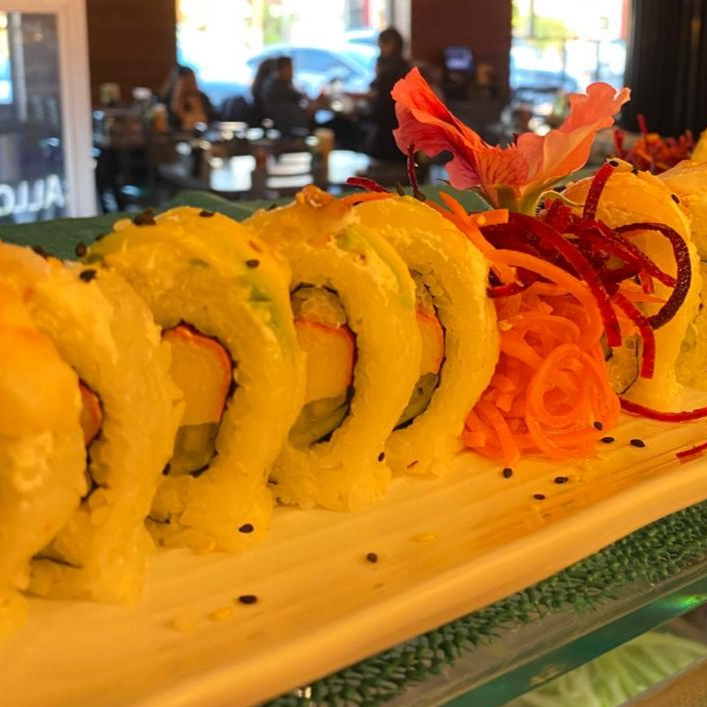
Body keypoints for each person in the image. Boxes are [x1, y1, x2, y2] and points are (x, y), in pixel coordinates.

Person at [366, 27, 411, 160]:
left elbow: (382, 101)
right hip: (402, 128)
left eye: (382, 45)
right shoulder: (405, 67)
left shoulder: (391, 71)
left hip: (389, 127)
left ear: (392, 44)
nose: (381, 49)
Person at [262, 56, 316, 134]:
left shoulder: (286, 84)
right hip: (286, 128)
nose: (292, 72)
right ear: (281, 70)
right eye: (290, 68)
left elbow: (300, 96)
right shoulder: (277, 88)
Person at [163, 65, 217, 131]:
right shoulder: (165, 101)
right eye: (188, 81)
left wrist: (197, 109)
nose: (193, 84)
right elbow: (170, 125)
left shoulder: (202, 98)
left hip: (199, 135)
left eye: (194, 80)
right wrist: (178, 99)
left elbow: (205, 124)